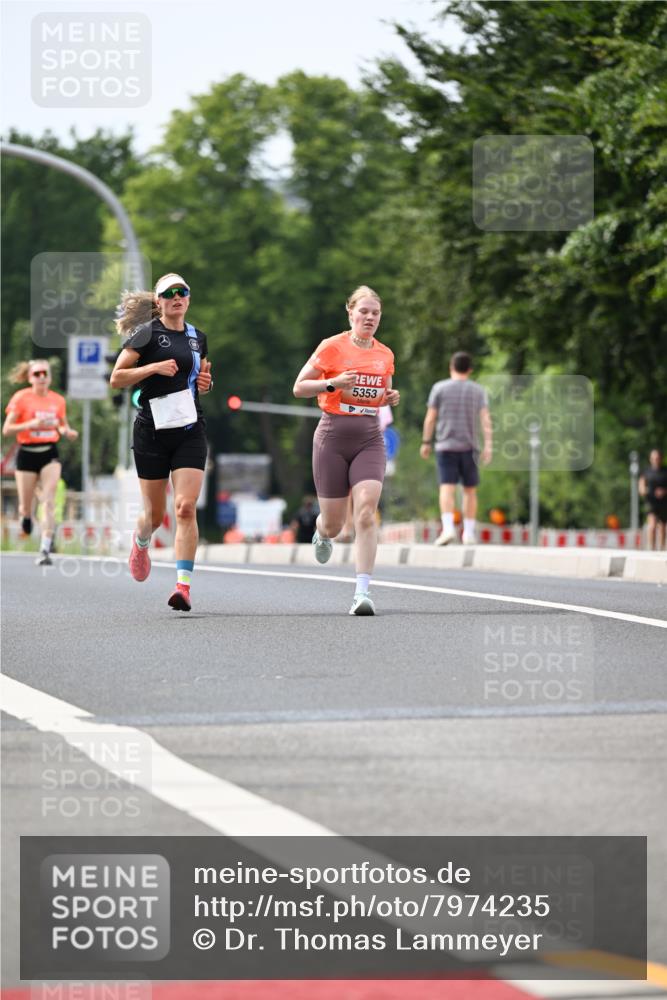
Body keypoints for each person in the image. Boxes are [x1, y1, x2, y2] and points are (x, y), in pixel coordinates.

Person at [293, 285, 399, 615]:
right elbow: (299, 388)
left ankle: (362, 594)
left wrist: (388, 399)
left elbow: (379, 395)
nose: (369, 317)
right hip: (332, 436)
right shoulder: (332, 348)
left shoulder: (385, 354)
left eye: (375, 313)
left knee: (366, 511)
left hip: (369, 436)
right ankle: (322, 532)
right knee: (335, 525)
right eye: (363, 311)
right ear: (350, 313)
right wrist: (333, 383)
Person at [110, 273, 213, 611]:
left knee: (184, 507)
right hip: (151, 432)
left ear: (188, 297)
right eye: (168, 293)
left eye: (181, 291)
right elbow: (117, 378)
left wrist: (204, 384)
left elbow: (197, 379)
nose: (175, 297)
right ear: (159, 302)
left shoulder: (199, 338)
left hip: (189, 429)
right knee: (154, 516)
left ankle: (183, 587)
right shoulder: (145, 335)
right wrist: (152, 368)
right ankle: (141, 542)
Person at [3, 359, 78, 565]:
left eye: (45, 373)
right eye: (37, 374)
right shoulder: (21, 398)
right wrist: (31, 423)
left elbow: (62, 426)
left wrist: (67, 432)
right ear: (30, 378)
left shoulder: (58, 400)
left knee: (48, 500)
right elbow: (7, 430)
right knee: (25, 507)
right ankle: (26, 517)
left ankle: (45, 548)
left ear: (50, 377)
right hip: (26, 452)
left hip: (49, 453)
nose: (42, 377)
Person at [420, 351, 492, 545]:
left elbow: (430, 417)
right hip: (470, 447)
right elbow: (485, 420)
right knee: (470, 490)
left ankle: (448, 528)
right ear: (470, 369)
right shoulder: (478, 391)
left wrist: (426, 442)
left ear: (451, 367)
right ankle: (468, 533)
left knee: (447, 488)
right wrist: (488, 445)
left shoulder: (439, 388)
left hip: (445, 446)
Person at [639, 448, 667, 551]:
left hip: (664, 502)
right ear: (650, 459)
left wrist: (663, 492)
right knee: (652, 525)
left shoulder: (665, 471)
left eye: (658, 458)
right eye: (654, 458)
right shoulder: (646, 471)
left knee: (663, 526)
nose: (656, 459)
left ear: (661, 458)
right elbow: (641, 487)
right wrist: (647, 491)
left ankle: (662, 548)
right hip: (651, 502)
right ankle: (652, 548)